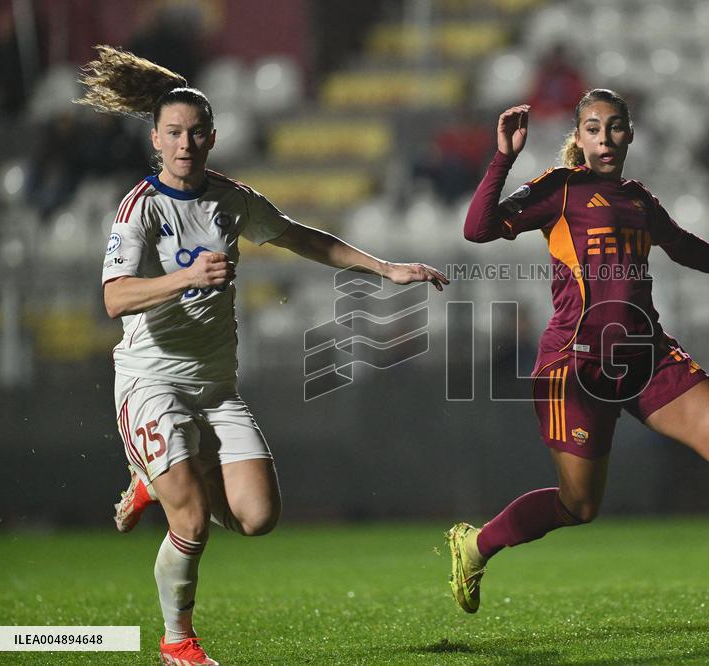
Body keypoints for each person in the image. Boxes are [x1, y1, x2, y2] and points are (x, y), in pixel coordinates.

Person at [447, 89, 709, 626]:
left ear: (630, 133)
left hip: (646, 354)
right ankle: (477, 544)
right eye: (593, 129)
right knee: (578, 506)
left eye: (615, 127)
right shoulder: (561, 190)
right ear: (578, 139)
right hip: (575, 365)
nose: (605, 138)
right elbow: (477, 229)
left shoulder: (638, 199)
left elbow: (684, 245)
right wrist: (504, 157)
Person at [79, 45, 448, 666]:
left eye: (196, 133)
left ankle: (156, 483)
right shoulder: (139, 209)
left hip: (217, 387)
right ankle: (178, 642)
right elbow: (114, 299)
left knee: (257, 517)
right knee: (192, 521)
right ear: (155, 140)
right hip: (149, 381)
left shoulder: (232, 199)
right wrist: (185, 278)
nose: (185, 144)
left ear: (213, 138)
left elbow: (300, 236)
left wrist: (382, 267)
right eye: (174, 134)